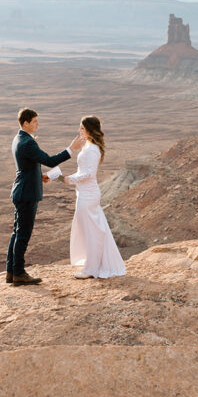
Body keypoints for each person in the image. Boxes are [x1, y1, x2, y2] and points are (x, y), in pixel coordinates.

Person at [7, 108, 83, 286]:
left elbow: (27, 165)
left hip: (21, 190)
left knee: (16, 233)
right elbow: (49, 160)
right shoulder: (27, 142)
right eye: (34, 121)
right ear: (25, 123)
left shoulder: (19, 138)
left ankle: (11, 271)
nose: (38, 124)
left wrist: (39, 176)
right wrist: (71, 149)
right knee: (23, 235)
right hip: (26, 193)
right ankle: (18, 273)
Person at [60, 115, 126, 279]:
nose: (79, 131)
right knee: (90, 229)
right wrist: (69, 178)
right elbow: (84, 171)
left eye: (81, 128)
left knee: (91, 231)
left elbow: (88, 173)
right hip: (84, 193)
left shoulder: (92, 149)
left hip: (88, 195)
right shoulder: (88, 147)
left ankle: (91, 269)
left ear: (89, 130)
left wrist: (70, 179)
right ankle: (93, 263)